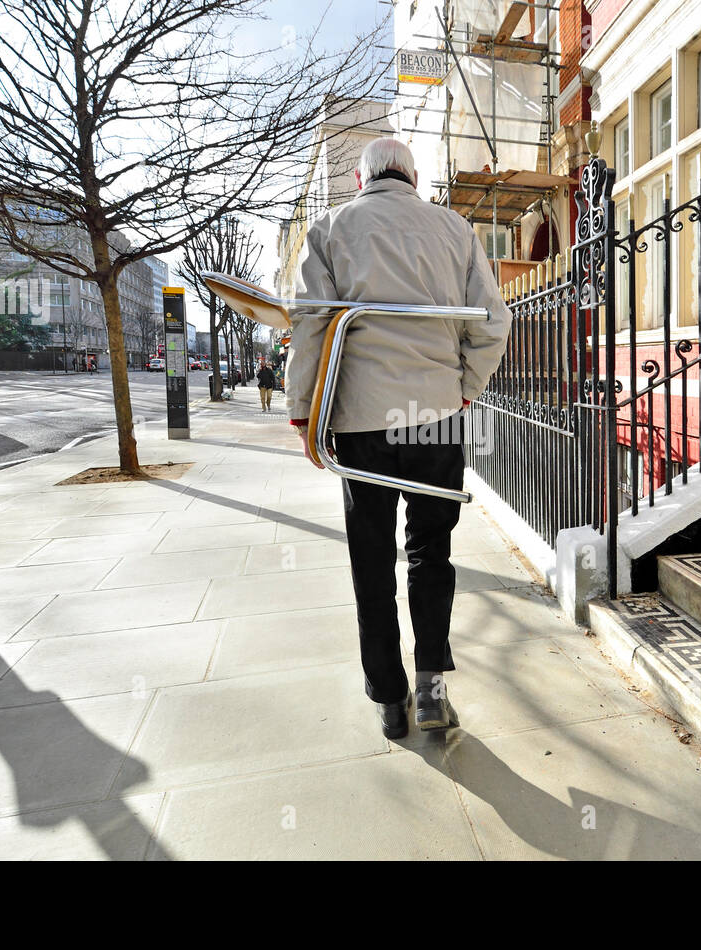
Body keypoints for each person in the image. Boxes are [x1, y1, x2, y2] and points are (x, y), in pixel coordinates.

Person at [285, 137, 512, 740]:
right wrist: (465, 386)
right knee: (430, 551)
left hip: (362, 420)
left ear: (360, 181)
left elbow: (310, 324)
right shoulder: (456, 231)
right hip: (435, 413)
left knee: (371, 558)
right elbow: (492, 321)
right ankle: (434, 686)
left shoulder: (330, 229)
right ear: (414, 178)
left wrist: (304, 409)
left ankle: (390, 697)